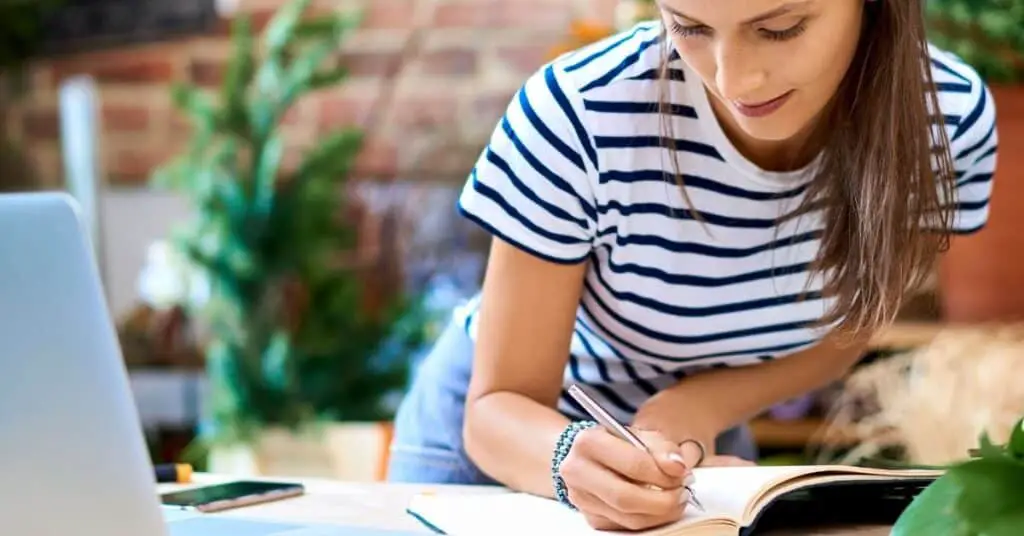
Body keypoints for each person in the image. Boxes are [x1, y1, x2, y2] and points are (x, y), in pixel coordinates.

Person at [387, 0, 997, 531]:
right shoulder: (581, 113)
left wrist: (701, 408)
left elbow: (854, 323)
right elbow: (496, 407)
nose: (735, 80)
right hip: (505, 455)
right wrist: (572, 456)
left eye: (780, 28)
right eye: (689, 27)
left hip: (700, 459)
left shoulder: (945, 123)